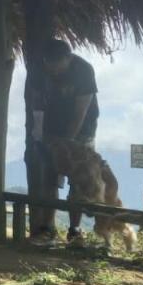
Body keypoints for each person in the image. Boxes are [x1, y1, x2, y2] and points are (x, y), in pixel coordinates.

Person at [39, 39, 100, 242]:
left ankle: (74, 229)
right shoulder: (42, 69)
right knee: (49, 178)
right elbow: (36, 101)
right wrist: (39, 133)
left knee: (78, 179)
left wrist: (68, 143)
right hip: (52, 129)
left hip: (82, 132)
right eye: (50, 65)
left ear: (68, 58)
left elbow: (80, 112)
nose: (54, 70)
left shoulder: (83, 71)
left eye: (57, 65)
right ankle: (48, 228)